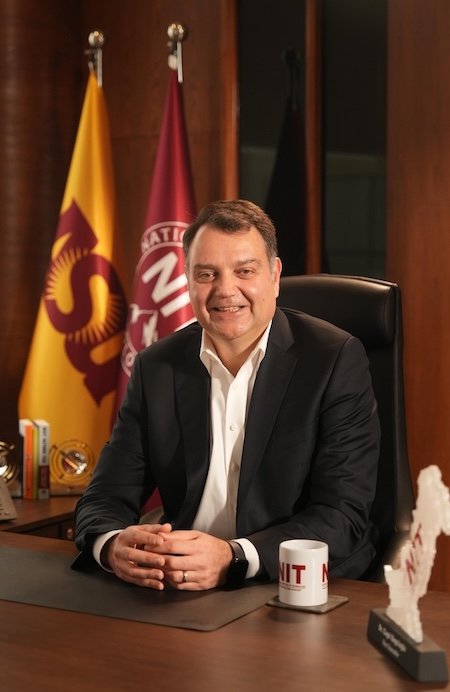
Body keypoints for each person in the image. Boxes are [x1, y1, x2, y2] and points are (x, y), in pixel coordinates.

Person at [73, 199, 380, 591]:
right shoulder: (157, 366)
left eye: (244, 271)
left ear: (275, 275)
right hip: (183, 584)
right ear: (187, 281)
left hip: (297, 584)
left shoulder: (333, 360)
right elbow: (106, 494)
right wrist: (112, 545)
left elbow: (342, 514)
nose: (225, 290)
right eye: (206, 274)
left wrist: (234, 556)